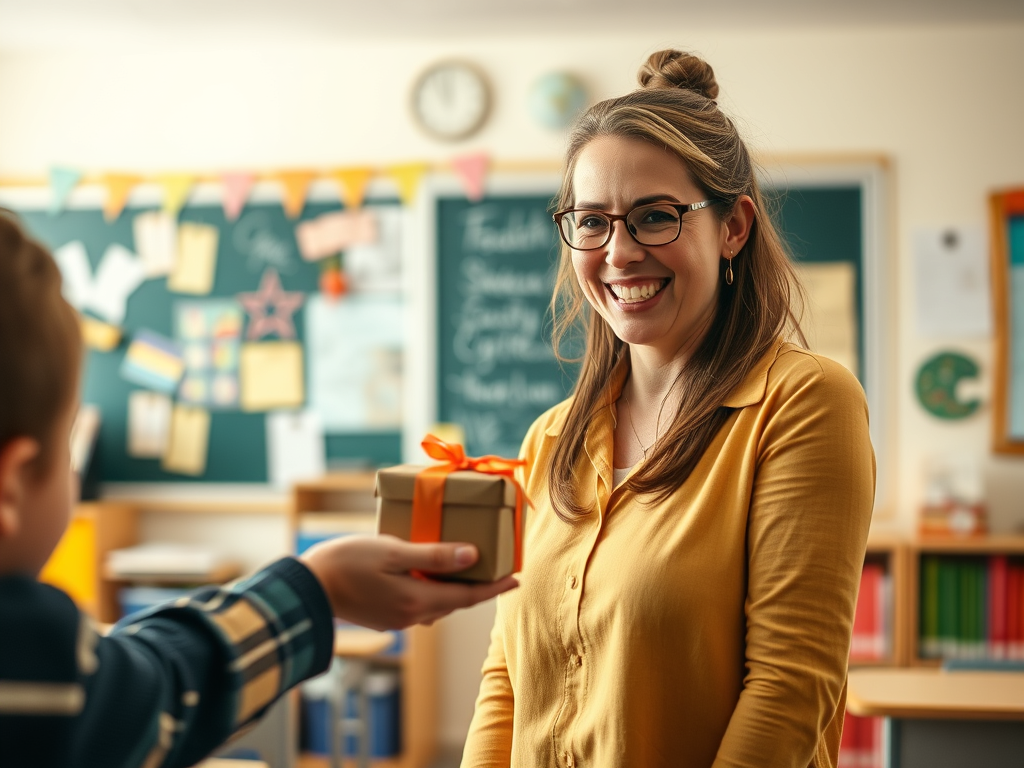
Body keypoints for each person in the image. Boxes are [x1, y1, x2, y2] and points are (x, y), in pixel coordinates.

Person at [461, 49, 875, 768]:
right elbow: (507, 676)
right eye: (590, 221)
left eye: (655, 216)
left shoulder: (803, 404)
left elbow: (787, 692)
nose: (618, 252)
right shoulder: (550, 437)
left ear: (734, 228)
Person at [0, 208, 518, 768]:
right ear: (12, 484)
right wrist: (321, 588)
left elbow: (130, 674)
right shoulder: (32, 654)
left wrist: (322, 584)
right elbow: (164, 690)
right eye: (69, 443)